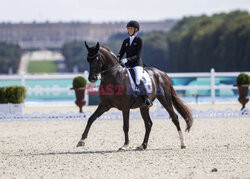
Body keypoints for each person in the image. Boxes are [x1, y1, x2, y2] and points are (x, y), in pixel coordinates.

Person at [117, 20, 153, 107]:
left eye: (131, 28)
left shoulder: (139, 40)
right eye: (128, 29)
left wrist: (127, 60)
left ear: (136, 30)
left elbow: (137, 55)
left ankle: (147, 98)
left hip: (137, 65)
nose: (129, 30)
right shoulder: (125, 41)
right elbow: (120, 53)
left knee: (137, 79)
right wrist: (117, 59)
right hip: (127, 66)